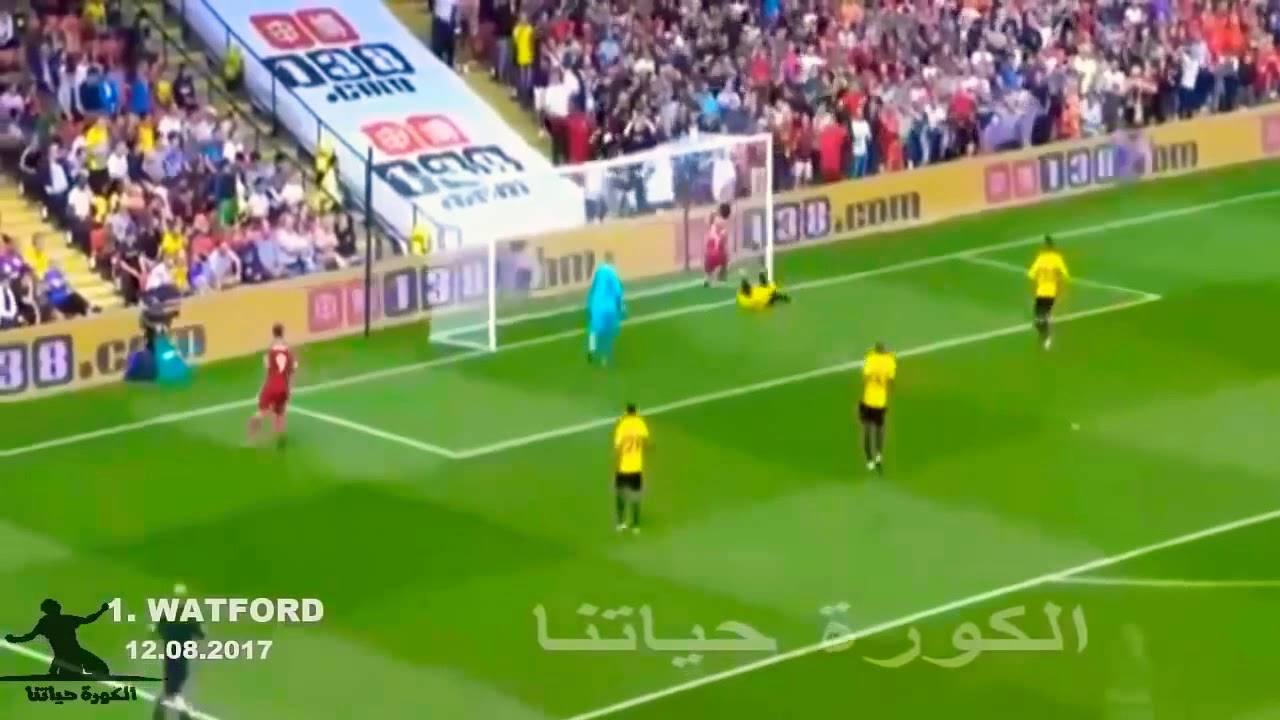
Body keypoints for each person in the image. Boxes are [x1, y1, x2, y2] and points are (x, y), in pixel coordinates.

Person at [5, 599, 110, 677]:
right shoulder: (47, 622)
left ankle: (62, 671)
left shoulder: (64, 619)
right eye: (55, 605)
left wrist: (101, 611)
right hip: (66, 656)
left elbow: (88, 620)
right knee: (76, 672)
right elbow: (30, 636)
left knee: (102, 669)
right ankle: (62, 671)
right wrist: (14, 640)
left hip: (74, 653)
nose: (58, 606)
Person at [153, 584, 201, 720]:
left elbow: (159, 629)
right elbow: (199, 632)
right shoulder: (190, 615)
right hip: (181, 655)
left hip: (169, 654)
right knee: (177, 682)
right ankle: (180, 712)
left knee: (171, 683)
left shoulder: (167, 612)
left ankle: (162, 711)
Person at [247, 323, 296, 446]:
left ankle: (250, 440)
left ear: (273, 333)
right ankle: (281, 441)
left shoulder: (269, 352)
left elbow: (267, 369)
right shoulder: (289, 353)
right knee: (280, 415)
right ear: (283, 333)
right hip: (284, 387)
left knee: (261, 412)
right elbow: (293, 370)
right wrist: (290, 388)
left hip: (272, 386)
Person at [1027, 236, 1070, 349]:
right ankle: (1046, 333)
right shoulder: (1054, 258)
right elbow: (1064, 276)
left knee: (1040, 317)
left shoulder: (1043, 258)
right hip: (1044, 292)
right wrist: (1061, 291)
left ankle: (1047, 336)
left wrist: (1060, 291)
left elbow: (1032, 275)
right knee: (1040, 317)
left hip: (1048, 292)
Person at [859, 342, 896, 474]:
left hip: (868, 400)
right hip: (880, 402)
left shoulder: (870, 357)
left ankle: (869, 459)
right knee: (880, 430)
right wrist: (884, 383)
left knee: (867, 430)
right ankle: (878, 456)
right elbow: (891, 383)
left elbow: (865, 377)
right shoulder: (890, 360)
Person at [613, 403, 650, 533]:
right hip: (636, 467)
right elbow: (646, 442)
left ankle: (621, 523)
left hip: (624, 467)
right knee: (636, 496)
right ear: (636, 411)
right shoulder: (640, 423)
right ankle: (636, 525)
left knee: (620, 495)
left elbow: (618, 447)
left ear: (626, 412)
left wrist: (616, 465)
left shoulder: (622, 425)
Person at [585, 258, 624, 367]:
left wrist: (589, 306)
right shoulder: (612, 274)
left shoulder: (599, 273)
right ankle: (604, 358)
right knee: (608, 334)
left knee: (593, 330)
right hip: (610, 307)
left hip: (597, 305)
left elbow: (593, 290)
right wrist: (620, 307)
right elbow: (618, 292)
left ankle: (591, 350)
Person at [703, 203, 730, 287]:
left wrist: (713, 213)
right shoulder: (724, 222)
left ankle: (707, 278)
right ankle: (719, 280)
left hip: (710, 245)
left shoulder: (715, 219)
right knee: (723, 263)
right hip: (718, 246)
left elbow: (707, 221)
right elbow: (724, 236)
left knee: (709, 264)